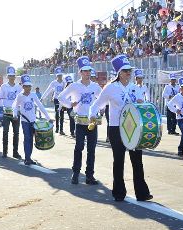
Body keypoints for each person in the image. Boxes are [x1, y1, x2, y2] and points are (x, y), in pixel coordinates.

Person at [89, 54, 153, 202]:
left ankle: (142, 193)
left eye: (129, 71)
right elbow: (97, 104)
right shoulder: (110, 87)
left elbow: (141, 105)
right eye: (125, 71)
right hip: (116, 128)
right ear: (119, 73)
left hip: (134, 128)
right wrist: (92, 115)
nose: (128, 73)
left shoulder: (134, 88)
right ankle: (119, 192)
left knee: (137, 161)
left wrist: (140, 102)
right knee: (118, 161)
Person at [58, 56, 102, 185]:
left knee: (91, 149)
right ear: (80, 72)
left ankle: (89, 176)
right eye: (84, 71)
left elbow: (103, 99)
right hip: (80, 122)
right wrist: (70, 104)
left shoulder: (95, 86)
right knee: (79, 147)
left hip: (92, 122)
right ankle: (75, 173)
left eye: (89, 71)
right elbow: (61, 97)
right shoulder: (74, 86)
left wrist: (101, 109)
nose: (87, 73)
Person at [12, 75, 52, 165]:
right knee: (27, 138)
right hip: (24, 121)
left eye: (29, 86)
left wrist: (48, 118)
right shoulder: (20, 96)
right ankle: (27, 158)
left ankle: (28, 157)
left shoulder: (33, 95)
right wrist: (15, 114)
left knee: (32, 139)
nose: (28, 88)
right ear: (23, 86)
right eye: (26, 86)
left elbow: (40, 106)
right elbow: (14, 106)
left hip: (33, 121)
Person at [0, 66, 22, 159]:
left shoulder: (19, 87)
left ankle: (15, 152)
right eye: (10, 76)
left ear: (15, 77)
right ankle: (5, 152)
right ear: (7, 77)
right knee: (5, 132)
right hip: (6, 112)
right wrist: (0, 104)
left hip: (16, 111)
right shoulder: (3, 86)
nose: (12, 77)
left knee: (16, 133)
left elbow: (21, 99)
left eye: (13, 76)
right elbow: (0, 99)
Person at [41, 67, 66, 135]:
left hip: (63, 100)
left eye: (61, 75)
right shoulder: (54, 83)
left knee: (62, 114)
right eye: (58, 75)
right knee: (57, 113)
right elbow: (48, 90)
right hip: (56, 99)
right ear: (56, 75)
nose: (60, 76)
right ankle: (57, 128)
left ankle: (61, 129)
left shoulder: (64, 82)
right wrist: (43, 98)